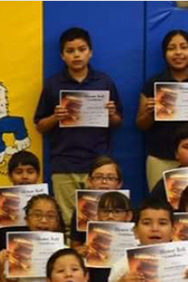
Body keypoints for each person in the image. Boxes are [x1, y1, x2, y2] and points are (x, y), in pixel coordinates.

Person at [34, 27, 123, 225]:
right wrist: (55, 117)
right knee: (67, 222)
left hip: (99, 164)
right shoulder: (53, 84)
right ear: (62, 55)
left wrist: (111, 114)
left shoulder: (104, 82)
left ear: (90, 52)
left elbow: (118, 121)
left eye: (81, 49)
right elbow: (40, 125)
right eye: (70, 51)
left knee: (104, 221)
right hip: (65, 163)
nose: (76, 55)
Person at [136, 30, 188, 189]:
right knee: (161, 207)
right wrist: (151, 113)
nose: (178, 53)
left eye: (183, 47)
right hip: (160, 157)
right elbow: (141, 125)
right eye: (171, 48)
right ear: (164, 54)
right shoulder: (154, 84)